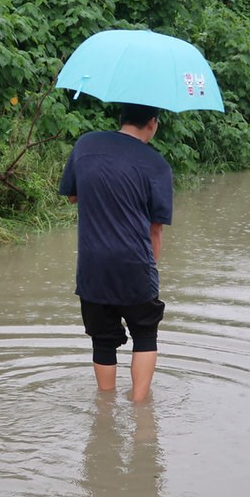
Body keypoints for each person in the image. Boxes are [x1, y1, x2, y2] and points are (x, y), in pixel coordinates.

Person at [58, 103, 173, 402]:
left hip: (93, 265)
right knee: (145, 334)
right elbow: (156, 230)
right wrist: (150, 271)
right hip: (134, 264)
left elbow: (73, 195)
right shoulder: (157, 165)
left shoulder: (86, 145)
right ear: (152, 123)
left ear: (120, 118)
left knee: (102, 340)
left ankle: (105, 407)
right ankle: (139, 408)